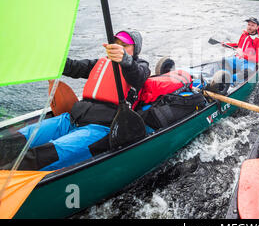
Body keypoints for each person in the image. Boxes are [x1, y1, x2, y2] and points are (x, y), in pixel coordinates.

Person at [0, 31, 150, 171]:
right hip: (71, 119)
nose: (118, 48)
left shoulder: (140, 67)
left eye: (124, 46)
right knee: (16, 141)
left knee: (41, 156)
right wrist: (49, 59)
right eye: (116, 44)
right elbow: (75, 67)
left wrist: (125, 59)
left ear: (135, 50)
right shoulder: (101, 63)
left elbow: (137, 75)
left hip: (99, 128)